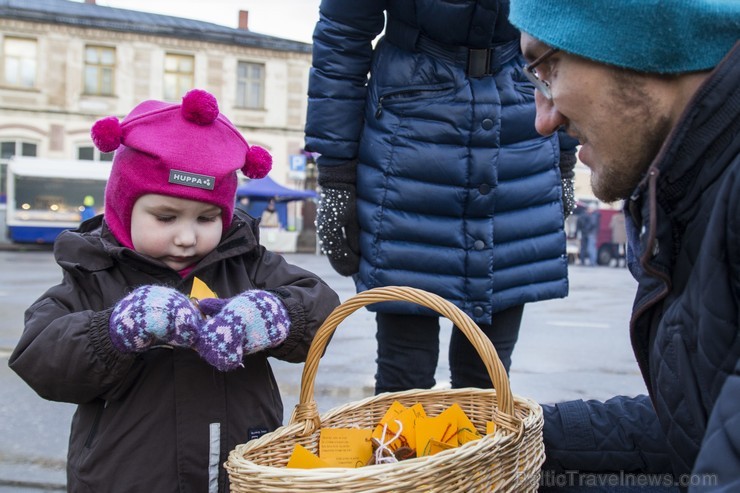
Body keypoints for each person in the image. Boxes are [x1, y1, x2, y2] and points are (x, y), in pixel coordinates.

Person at [8, 89, 340, 491]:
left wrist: (278, 314)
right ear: (123, 207)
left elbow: (321, 305)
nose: (186, 237)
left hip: (240, 471)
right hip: (126, 477)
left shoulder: (246, 261)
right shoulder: (93, 269)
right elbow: (40, 356)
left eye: (206, 218)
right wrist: (115, 330)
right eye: (165, 217)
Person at [508, 0, 739, 490]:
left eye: (547, 68)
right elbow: (696, 431)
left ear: (641, 41)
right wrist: (502, 438)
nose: (543, 119)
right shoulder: (693, 186)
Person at [305, 0, 578, 393]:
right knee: (404, 377)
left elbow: (569, 31)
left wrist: (566, 154)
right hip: (409, 137)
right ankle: (407, 457)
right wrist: (336, 175)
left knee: (488, 378)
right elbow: (343, 35)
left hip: (519, 126)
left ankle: (480, 457)